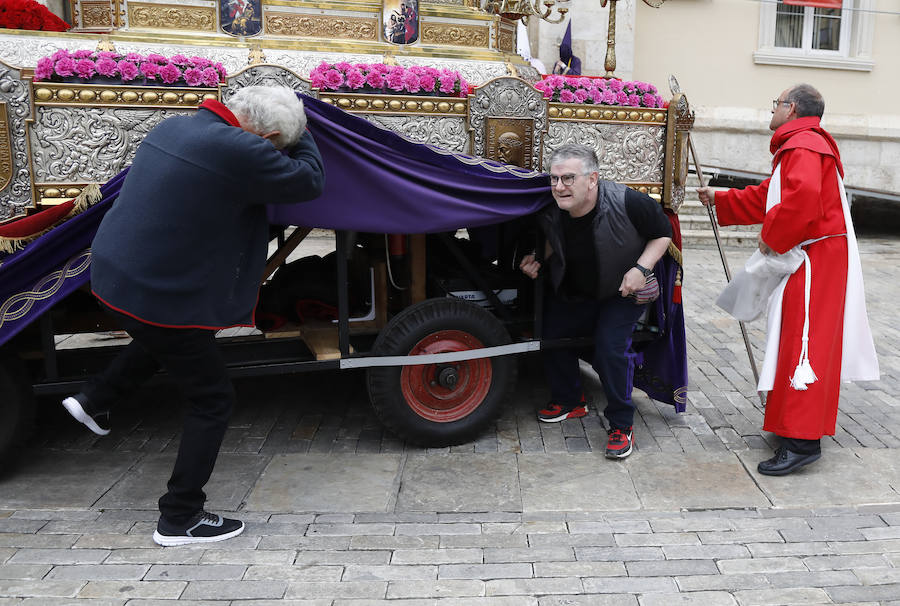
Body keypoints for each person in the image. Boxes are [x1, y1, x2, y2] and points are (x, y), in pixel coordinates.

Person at [61, 86, 325, 545]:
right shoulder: (241, 147)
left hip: (115, 278)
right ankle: (180, 516)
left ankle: (94, 398)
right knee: (212, 398)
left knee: (171, 338)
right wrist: (306, 128)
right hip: (154, 290)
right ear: (269, 137)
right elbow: (309, 180)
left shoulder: (180, 124)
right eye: (276, 145)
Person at [697, 83, 878, 476]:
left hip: (815, 258)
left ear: (791, 107)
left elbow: (800, 202)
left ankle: (802, 441)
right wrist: (722, 198)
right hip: (817, 255)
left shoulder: (803, 144)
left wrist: (771, 240)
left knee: (803, 343)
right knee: (795, 337)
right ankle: (792, 426)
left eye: (776, 104)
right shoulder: (803, 144)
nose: (772, 110)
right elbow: (773, 197)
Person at [520, 144, 672, 458]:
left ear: (592, 180)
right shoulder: (553, 208)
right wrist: (537, 258)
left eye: (568, 178)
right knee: (551, 331)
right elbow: (554, 239)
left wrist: (641, 269)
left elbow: (662, 232)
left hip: (623, 293)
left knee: (610, 348)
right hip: (579, 290)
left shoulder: (629, 201)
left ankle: (621, 423)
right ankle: (570, 400)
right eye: (554, 179)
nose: (559, 187)